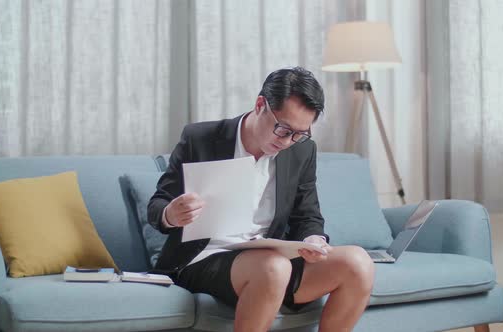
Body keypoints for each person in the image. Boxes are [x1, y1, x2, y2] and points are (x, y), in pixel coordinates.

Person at [148, 67, 374, 332]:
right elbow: (158, 204)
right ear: (260, 105)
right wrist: (171, 214)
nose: (289, 141)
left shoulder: (302, 150)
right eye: (283, 129)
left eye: (300, 133)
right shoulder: (202, 138)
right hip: (204, 257)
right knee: (272, 267)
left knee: (358, 263)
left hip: (270, 257)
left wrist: (313, 240)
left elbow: (308, 215)